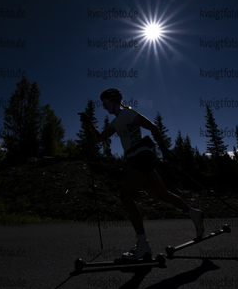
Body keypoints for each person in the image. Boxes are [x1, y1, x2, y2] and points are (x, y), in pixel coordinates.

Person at [79, 88, 204, 260]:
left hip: (141, 157)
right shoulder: (116, 122)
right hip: (138, 159)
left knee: (126, 196)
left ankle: (143, 246)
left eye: (105, 103)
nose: (104, 107)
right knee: (163, 194)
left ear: (114, 101)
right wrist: (88, 123)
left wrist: (164, 149)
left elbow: (152, 126)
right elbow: (99, 138)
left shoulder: (128, 114)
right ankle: (194, 213)